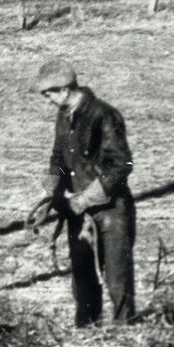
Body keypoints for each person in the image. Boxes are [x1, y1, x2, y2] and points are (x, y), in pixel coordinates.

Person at [27, 57, 136, 327]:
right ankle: (86, 336)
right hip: (79, 214)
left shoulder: (104, 115)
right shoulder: (64, 117)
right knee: (82, 279)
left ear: (65, 90)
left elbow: (121, 165)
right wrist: (53, 193)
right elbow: (58, 159)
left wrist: (85, 199)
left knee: (117, 279)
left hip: (111, 212)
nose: (47, 100)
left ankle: (127, 335)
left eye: (49, 94)